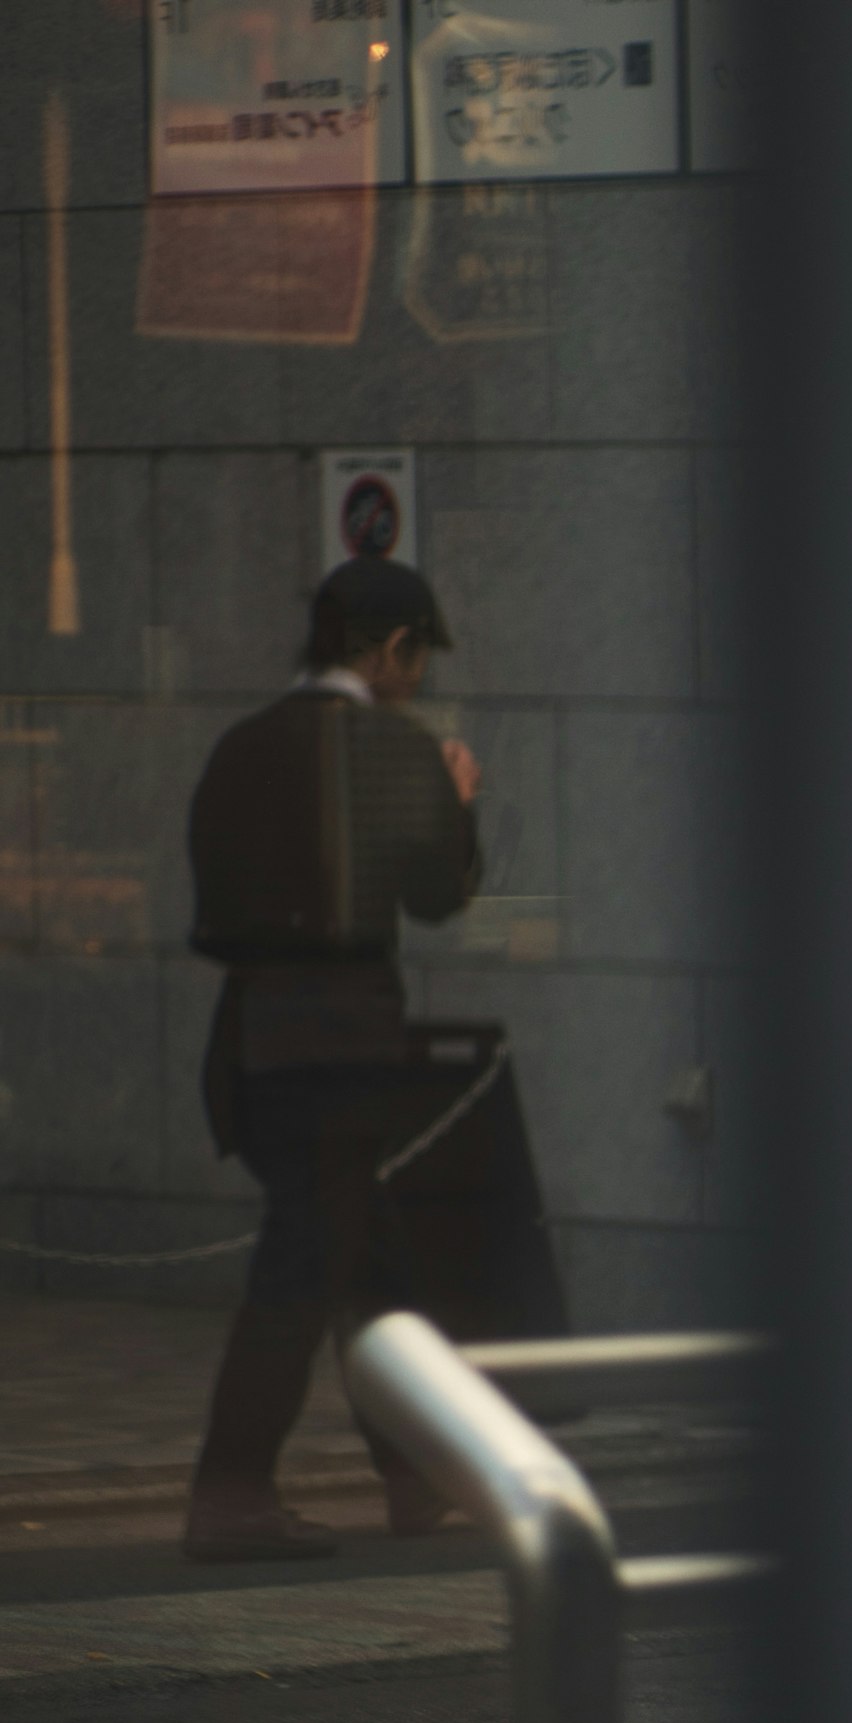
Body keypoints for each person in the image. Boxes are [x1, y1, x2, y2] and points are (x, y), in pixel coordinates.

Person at [179, 559, 485, 1564]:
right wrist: (456, 799)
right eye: (417, 657)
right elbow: (440, 891)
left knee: (370, 1260)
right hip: (340, 1047)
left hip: (253, 1039)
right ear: (388, 649)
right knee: (305, 1267)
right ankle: (231, 1491)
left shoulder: (242, 746)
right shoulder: (386, 749)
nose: (419, 677)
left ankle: (414, 1477)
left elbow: (213, 904)